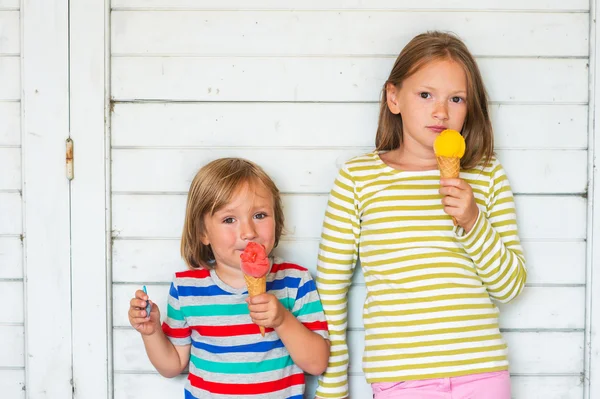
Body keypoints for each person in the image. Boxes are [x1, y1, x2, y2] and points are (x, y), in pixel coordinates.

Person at [315, 31, 527, 399]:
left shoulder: (488, 175)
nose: (441, 111)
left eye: (456, 98)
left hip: (481, 373)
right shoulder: (357, 178)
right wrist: (333, 385)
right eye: (425, 94)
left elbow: (510, 287)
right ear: (393, 97)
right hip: (401, 379)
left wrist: (473, 222)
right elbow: (332, 288)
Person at [128, 158, 330, 398]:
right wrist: (151, 333)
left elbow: (317, 364)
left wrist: (282, 320)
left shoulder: (294, 281)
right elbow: (172, 366)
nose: (249, 232)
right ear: (203, 232)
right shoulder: (187, 288)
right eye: (229, 219)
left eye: (260, 215)